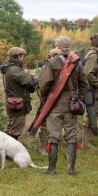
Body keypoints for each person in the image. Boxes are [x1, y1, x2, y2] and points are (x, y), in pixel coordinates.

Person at [39, 36, 88, 175]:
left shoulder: (53, 62)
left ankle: (52, 169)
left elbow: (44, 84)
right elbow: (85, 85)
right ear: (69, 47)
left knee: (53, 136)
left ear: (58, 47)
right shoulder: (77, 63)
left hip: (54, 105)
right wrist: (79, 99)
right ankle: (71, 169)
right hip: (71, 105)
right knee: (72, 136)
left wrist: (45, 100)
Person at [0, 47, 38, 140]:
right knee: (15, 131)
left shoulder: (10, 68)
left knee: (10, 128)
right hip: (17, 104)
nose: (23, 58)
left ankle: (3, 151)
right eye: (22, 56)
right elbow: (30, 81)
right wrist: (36, 78)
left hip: (13, 103)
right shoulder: (15, 69)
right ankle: (8, 153)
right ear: (18, 57)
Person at [37, 48, 62, 155]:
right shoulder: (45, 68)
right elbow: (41, 84)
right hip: (48, 99)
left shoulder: (63, 66)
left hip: (55, 99)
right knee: (44, 123)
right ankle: (43, 148)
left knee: (52, 123)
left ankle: (49, 147)